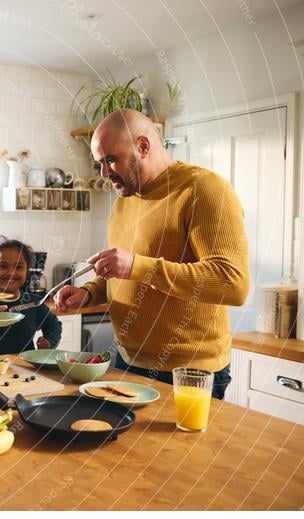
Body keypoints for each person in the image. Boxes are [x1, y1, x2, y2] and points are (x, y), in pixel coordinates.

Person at [55, 109, 249, 399]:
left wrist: (136, 265)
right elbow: (122, 274)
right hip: (127, 362)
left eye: (110, 160)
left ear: (143, 146)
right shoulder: (124, 201)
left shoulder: (204, 190)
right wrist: (89, 293)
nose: (105, 173)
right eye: (100, 164)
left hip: (189, 371)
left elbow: (232, 284)